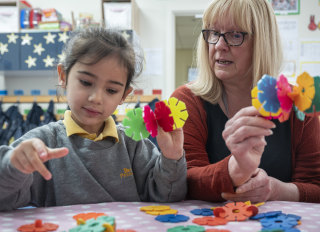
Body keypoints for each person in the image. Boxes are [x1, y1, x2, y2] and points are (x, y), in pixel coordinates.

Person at [0, 27, 187, 211]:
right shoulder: (42, 143)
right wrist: (13, 167)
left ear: (124, 95)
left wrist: (172, 157)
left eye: (111, 90)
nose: (96, 98)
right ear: (63, 76)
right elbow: (5, 200)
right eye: (86, 82)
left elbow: (167, 197)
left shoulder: (134, 144)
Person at [171, 0, 320, 203]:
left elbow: (315, 185)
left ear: (262, 43)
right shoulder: (186, 101)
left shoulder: (299, 103)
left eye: (235, 35)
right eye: (214, 33)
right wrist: (236, 169)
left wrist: (277, 190)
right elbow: (182, 180)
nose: (219, 46)